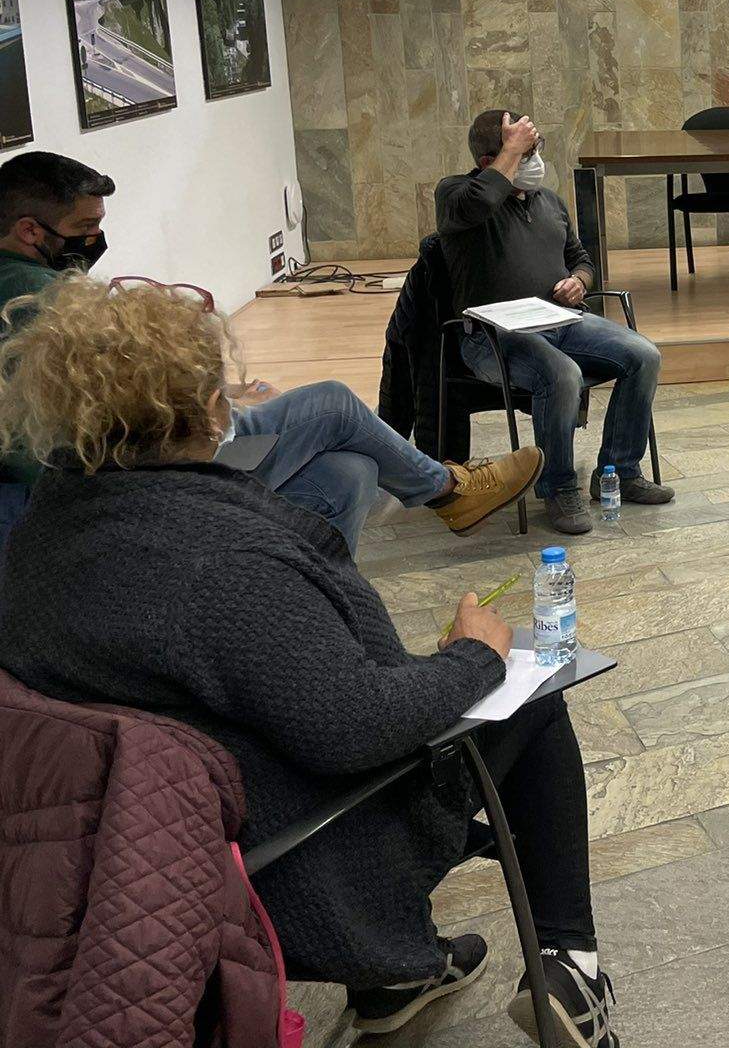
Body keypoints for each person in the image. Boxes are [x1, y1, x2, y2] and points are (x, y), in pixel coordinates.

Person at [0, 278, 622, 1046]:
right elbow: (354, 728)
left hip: (130, 840)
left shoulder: (40, 534)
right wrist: (471, 657)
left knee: (342, 480)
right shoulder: (222, 566)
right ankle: (574, 966)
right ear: (208, 409)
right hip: (291, 847)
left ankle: (396, 980)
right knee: (534, 699)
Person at [0, 150, 537, 552]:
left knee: (349, 473)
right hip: (140, 485)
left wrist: (218, 395)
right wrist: (208, 411)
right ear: (29, 230)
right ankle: (447, 490)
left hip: (126, 478)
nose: (95, 239)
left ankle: (312, 593)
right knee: (330, 404)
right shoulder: (42, 304)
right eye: (85, 228)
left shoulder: (26, 290)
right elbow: (91, 431)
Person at [437, 110, 670, 534]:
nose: (536, 161)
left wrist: (579, 281)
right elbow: (480, 202)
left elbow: (581, 259)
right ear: (492, 161)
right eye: (527, 153)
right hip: (493, 338)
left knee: (643, 354)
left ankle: (619, 472)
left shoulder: (549, 203)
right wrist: (511, 151)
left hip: (561, 322)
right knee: (562, 374)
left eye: (535, 150)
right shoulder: (457, 194)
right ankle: (558, 487)